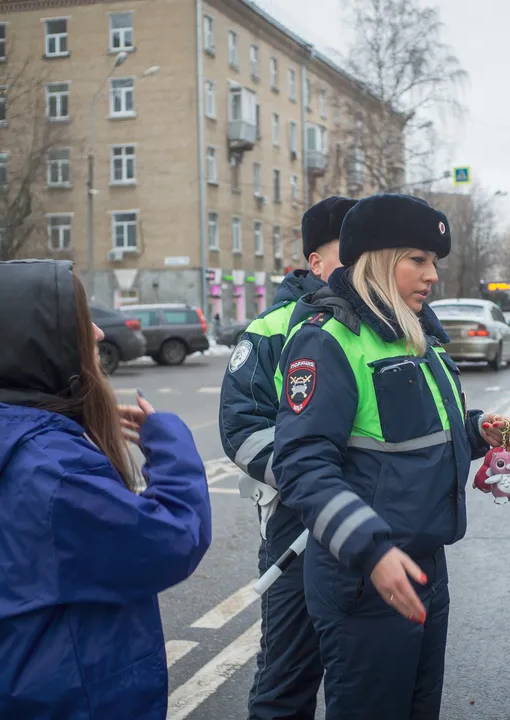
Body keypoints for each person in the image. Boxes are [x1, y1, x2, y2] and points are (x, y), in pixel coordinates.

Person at [270, 193, 510, 719]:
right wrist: (372, 550)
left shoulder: (418, 337)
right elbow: (302, 464)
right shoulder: (330, 341)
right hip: (363, 578)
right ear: (379, 262)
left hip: (423, 567)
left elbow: (415, 437)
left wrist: (477, 433)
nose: (432, 276)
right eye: (418, 260)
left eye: (435, 263)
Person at [0, 259, 212, 720]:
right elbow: (172, 539)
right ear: (38, 342)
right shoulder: (54, 472)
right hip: (77, 697)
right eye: (79, 321)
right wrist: (170, 440)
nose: (99, 333)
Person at [218, 195, 355, 720]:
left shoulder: (394, 326)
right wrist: (318, 482)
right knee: (288, 678)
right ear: (314, 263)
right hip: (297, 528)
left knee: (366, 679)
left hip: (378, 523)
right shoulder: (273, 330)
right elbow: (242, 428)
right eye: (349, 252)